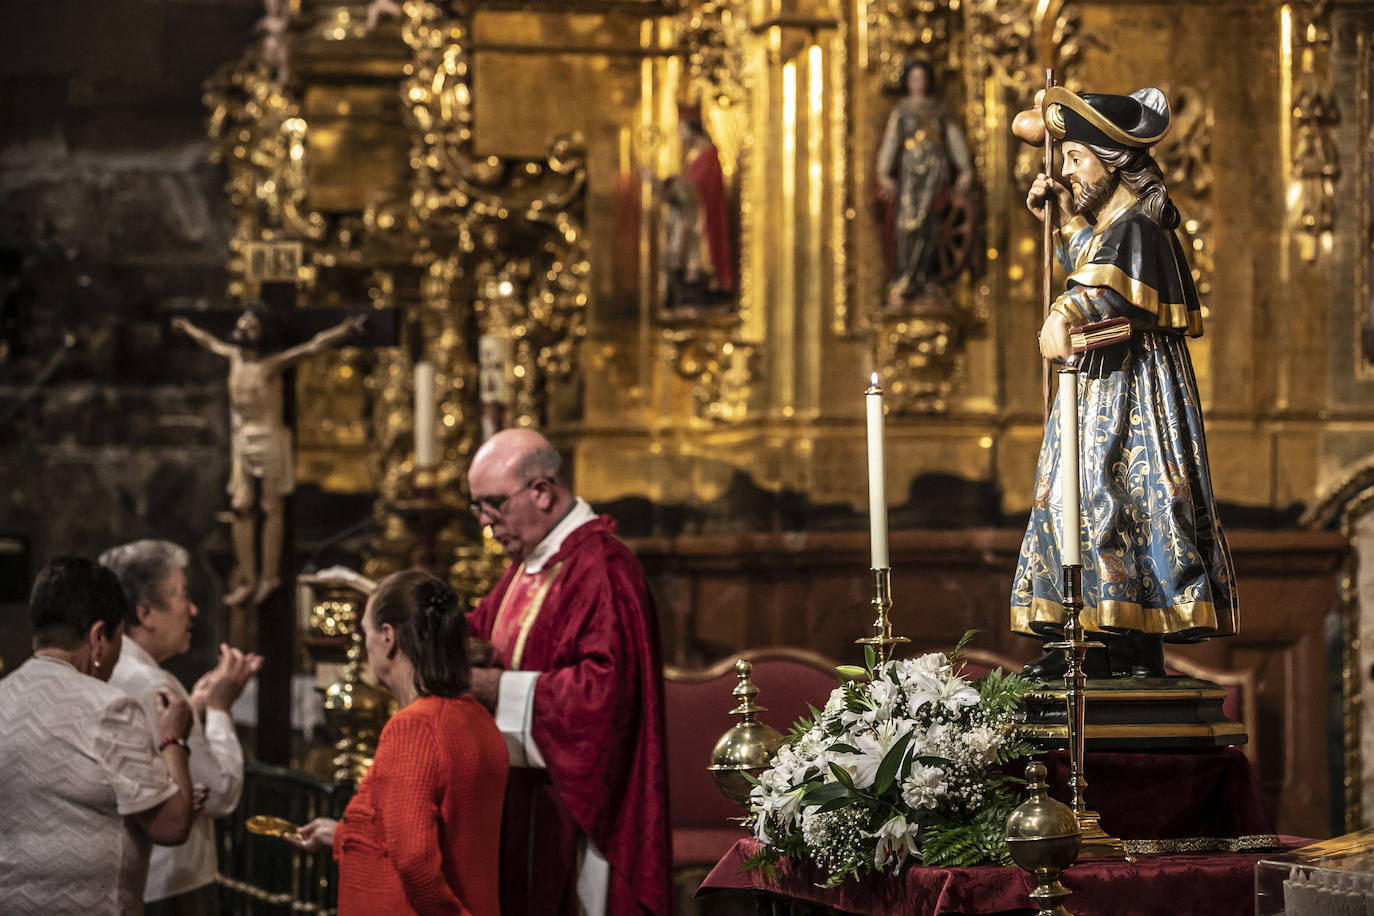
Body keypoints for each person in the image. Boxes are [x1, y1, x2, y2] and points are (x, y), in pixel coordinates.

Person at [1010, 85, 1238, 678]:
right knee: (1085, 500)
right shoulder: (1117, 224)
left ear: (1111, 160)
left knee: (1119, 499)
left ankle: (1127, 641)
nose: (1066, 171)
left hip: (1130, 394)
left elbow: (1111, 293)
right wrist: (1058, 224)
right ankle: (1097, 641)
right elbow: (1095, 262)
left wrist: (1065, 314)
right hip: (1099, 387)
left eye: (1076, 159)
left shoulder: (1137, 227)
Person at [465, 428, 670, 916]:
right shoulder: (531, 563)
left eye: (493, 504)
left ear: (542, 491)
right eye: (477, 507)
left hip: (578, 812)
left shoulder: (601, 566)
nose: (485, 522)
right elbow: (483, 633)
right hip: (528, 798)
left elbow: (606, 697)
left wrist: (496, 687)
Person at [292, 570, 508, 916]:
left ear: (388, 638)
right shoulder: (478, 718)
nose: (366, 646)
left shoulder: (414, 728)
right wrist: (342, 835)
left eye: (366, 633)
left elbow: (415, 862)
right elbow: (439, 836)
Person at [0, 557, 195, 915]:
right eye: (119, 640)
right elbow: (172, 824)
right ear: (98, 637)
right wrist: (173, 741)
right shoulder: (108, 708)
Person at [100, 539, 261, 915]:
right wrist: (220, 709)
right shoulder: (154, 683)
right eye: (180, 595)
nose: (192, 609)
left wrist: (195, 705)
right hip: (171, 882)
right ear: (146, 613)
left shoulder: (108, 669)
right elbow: (220, 792)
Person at [172, 305, 366, 608]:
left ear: (261, 333)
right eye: (243, 321)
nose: (244, 325)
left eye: (251, 323)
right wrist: (186, 328)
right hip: (243, 439)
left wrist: (345, 331)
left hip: (269, 437)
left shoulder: (271, 365)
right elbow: (208, 341)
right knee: (240, 507)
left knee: (270, 506)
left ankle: (269, 576)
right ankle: (248, 577)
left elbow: (312, 347)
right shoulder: (234, 358)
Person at [875, 59, 973, 307]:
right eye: (914, 79)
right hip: (910, 178)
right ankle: (906, 277)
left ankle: (925, 279)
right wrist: (883, 173)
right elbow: (890, 143)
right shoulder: (902, 111)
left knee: (931, 224)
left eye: (922, 79)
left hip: (934, 175)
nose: (918, 84)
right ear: (908, 82)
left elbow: (954, 141)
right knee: (908, 225)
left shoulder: (939, 112)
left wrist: (964, 169)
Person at [659, 103, 735, 312]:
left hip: (701, 225)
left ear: (689, 126)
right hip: (687, 224)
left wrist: (672, 186)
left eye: (680, 127)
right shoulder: (693, 156)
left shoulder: (708, 154)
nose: (678, 133)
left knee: (696, 264)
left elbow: (698, 189)